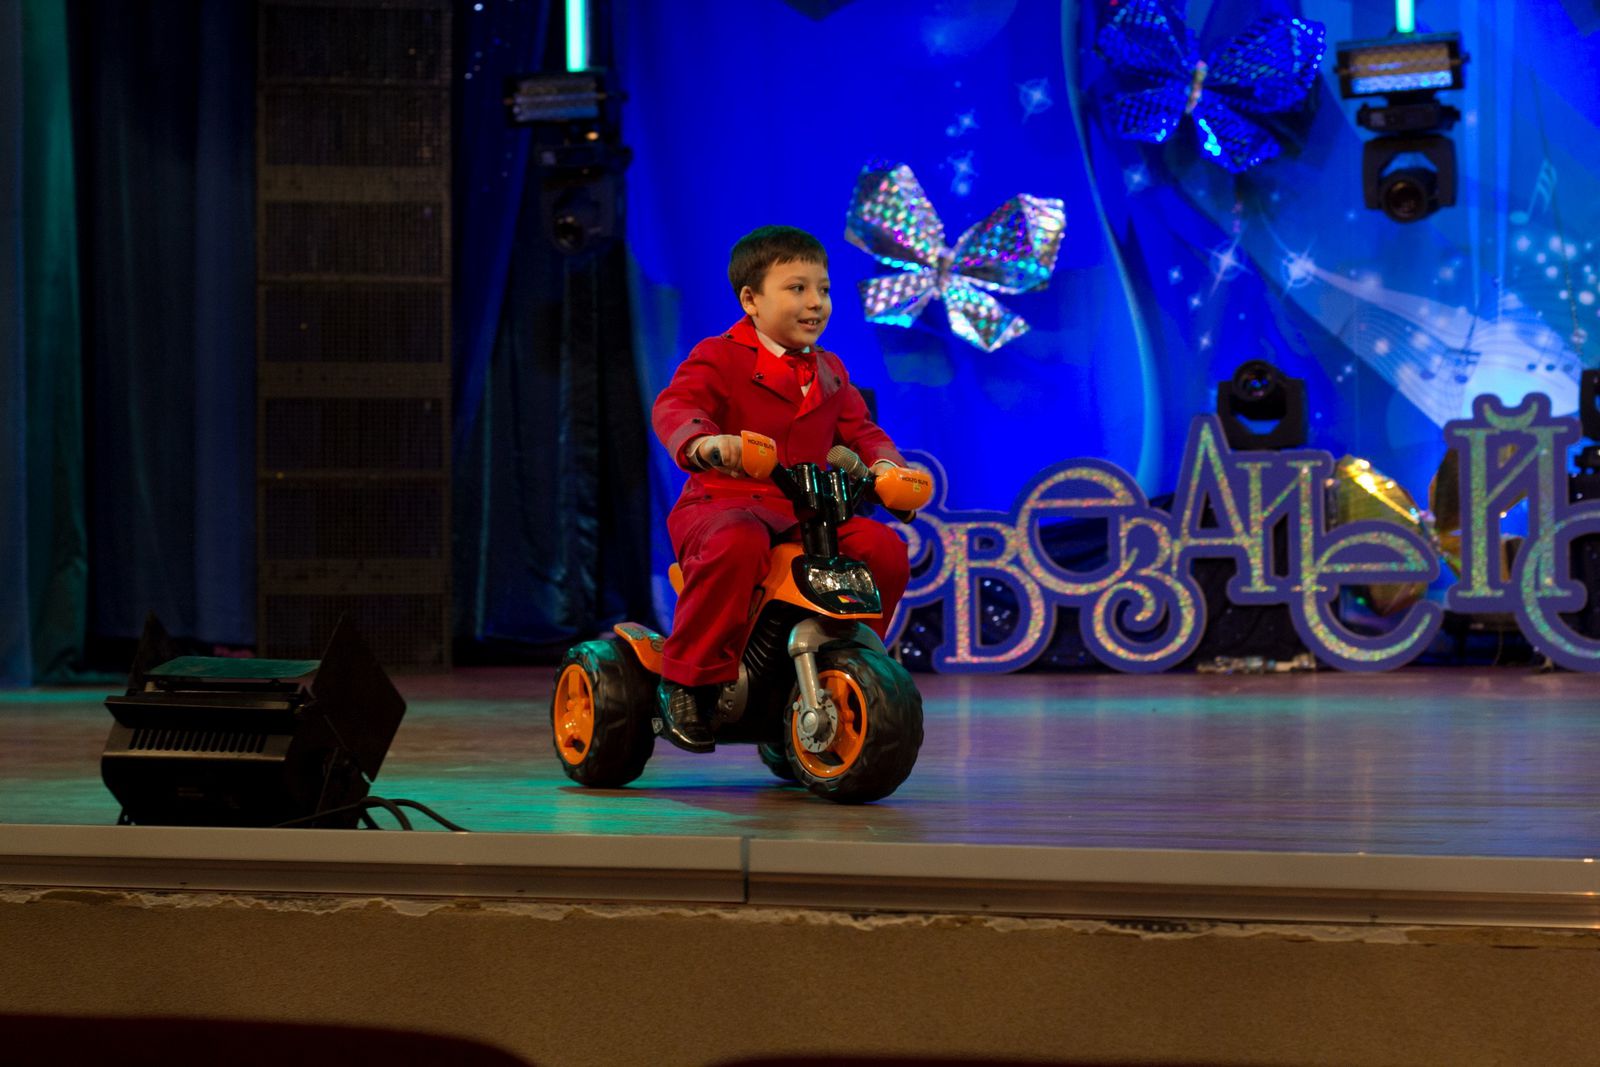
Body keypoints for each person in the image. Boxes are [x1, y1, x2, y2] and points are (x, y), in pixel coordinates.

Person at [650, 225, 913, 753]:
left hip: (806, 515)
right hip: (723, 506)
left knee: (882, 548)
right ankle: (688, 680)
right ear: (751, 300)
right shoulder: (720, 356)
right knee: (737, 544)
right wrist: (706, 442)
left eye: (824, 289)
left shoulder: (830, 371)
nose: (816, 302)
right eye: (797, 288)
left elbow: (862, 434)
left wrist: (888, 470)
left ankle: (850, 661)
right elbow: (677, 406)